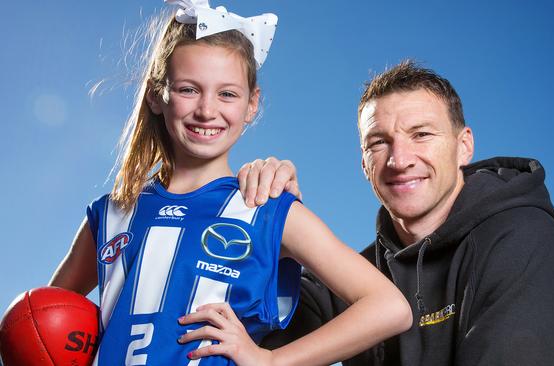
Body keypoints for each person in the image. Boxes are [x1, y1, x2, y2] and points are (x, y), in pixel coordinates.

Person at [48, 2, 412, 365]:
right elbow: (42, 316)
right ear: (157, 95)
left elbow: (389, 307)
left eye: (227, 94)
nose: (207, 110)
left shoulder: (266, 207)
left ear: (252, 104)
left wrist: (270, 361)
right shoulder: (111, 212)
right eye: (188, 90)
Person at [244, 61, 554, 365]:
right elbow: (246, 335)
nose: (399, 160)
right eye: (379, 142)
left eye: (421, 134)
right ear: (363, 164)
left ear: (464, 147)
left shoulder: (524, 240)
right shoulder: (360, 278)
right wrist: (268, 222)